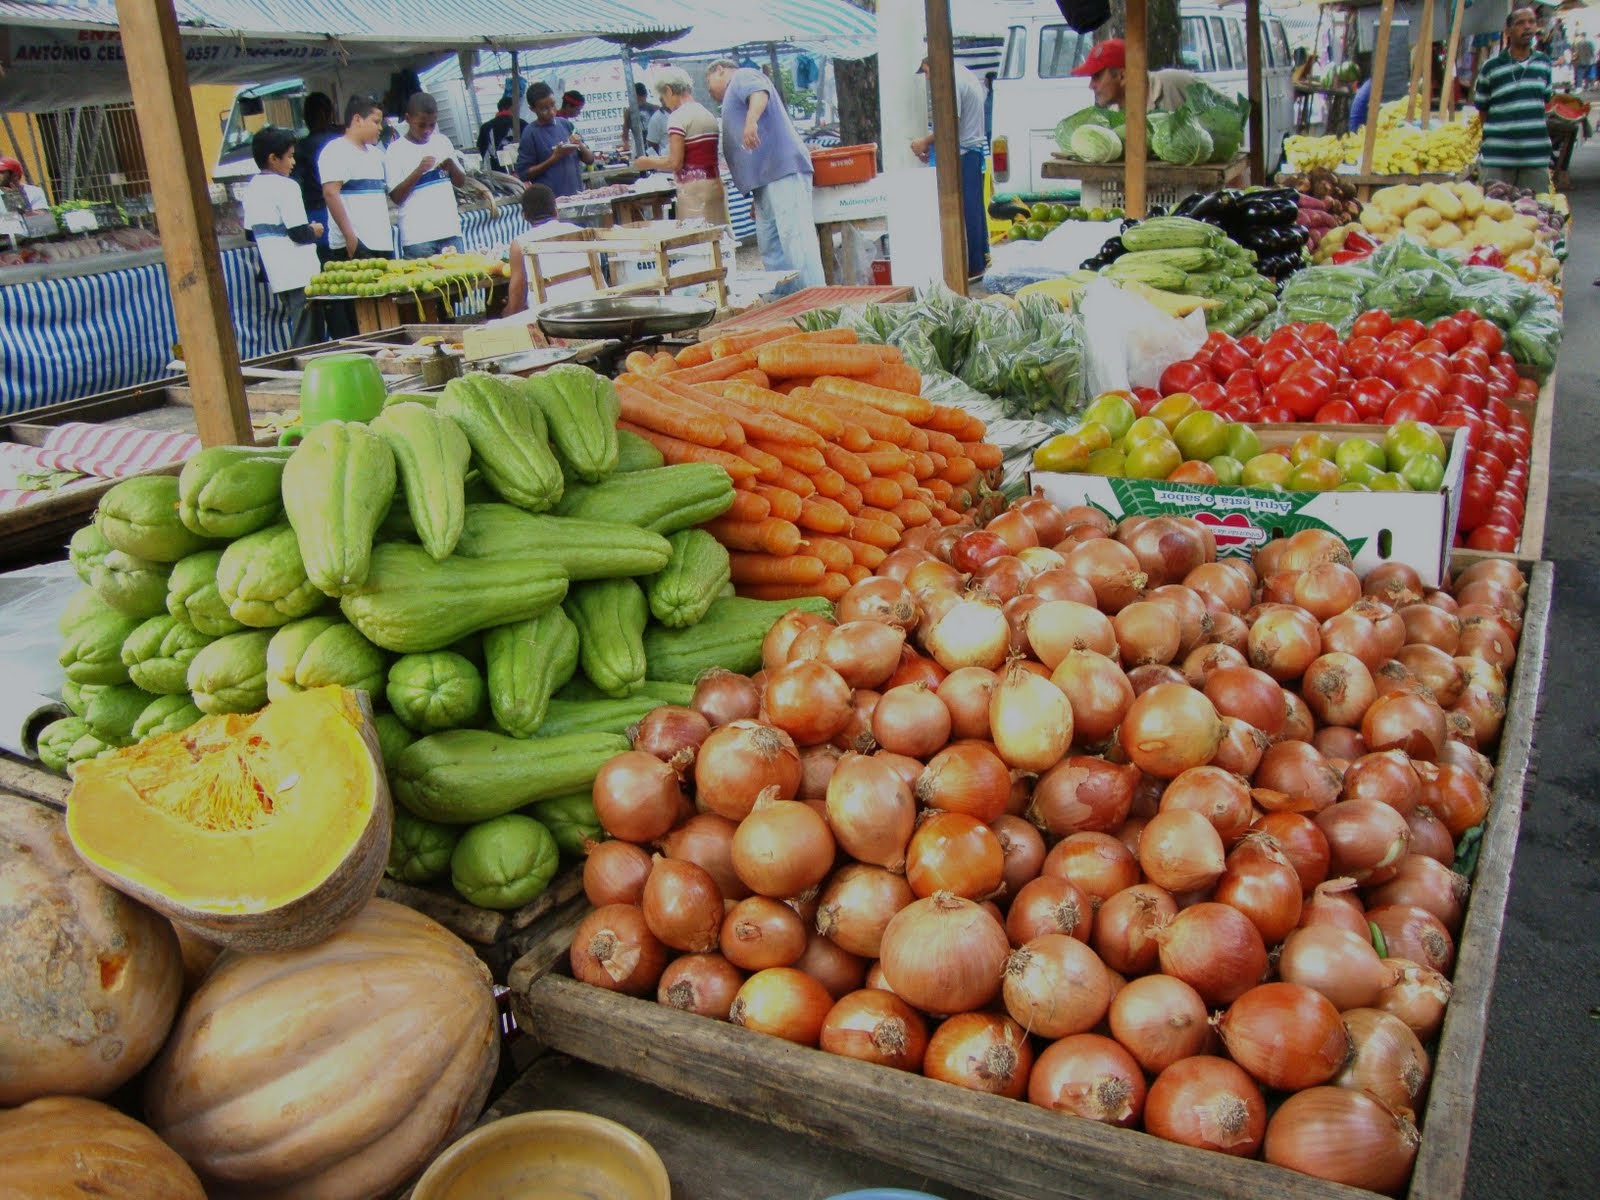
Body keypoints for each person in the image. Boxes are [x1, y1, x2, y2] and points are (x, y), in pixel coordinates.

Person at [705, 58, 825, 295]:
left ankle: (817, 300)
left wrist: (751, 123)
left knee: (796, 242)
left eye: (709, 86)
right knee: (772, 247)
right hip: (764, 182)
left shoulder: (742, 76)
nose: (710, 94)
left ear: (720, 70)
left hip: (782, 171)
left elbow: (759, 93)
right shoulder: (732, 96)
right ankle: (786, 300)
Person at [633, 67, 734, 268]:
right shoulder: (706, 113)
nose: (664, 103)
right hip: (714, 185)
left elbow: (674, 162)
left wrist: (646, 162)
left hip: (693, 191)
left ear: (669, 91)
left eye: (663, 97)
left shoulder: (678, 117)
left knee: (696, 249)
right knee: (718, 243)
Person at [387, 92, 497, 259]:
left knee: (460, 283)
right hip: (418, 237)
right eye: (421, 125)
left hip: (450, 231)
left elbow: (460, 182)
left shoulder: (442, 142)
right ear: (408, 119)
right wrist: (418, 171)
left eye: (432, 125)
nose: (427, 130)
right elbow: (396, 197)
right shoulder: (395, 150)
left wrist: (452, 166)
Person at [243, 127, 324, 347]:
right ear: (273, 158)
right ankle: (305, 376)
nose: (293, 162)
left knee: (300, 328)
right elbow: (299, 233)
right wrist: (314, 230)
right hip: (300, 273)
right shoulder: (287, 187)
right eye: (289, 156)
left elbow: (251, 233)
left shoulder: (252, 188)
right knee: (307, 336)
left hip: (278, 273)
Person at [910, 58, 990, 280]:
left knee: (968, 211)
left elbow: (949, 123)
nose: (927, 78)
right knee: (973, 210)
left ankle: (974, 266)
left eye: (926, 71)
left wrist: (924, 142)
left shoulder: (952, 79)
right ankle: (979, 261)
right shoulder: (962, 73)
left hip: (965, 153)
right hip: (969, 151)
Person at [1474, 8, 1554, 193]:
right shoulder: (1491, 67)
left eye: (1531, 22)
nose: (1527, 27)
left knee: (1536, 214)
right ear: (1508, 31)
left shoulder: (1544, 63)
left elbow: (1544, 102)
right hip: (1499, 158)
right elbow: (1482, 110)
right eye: (1520, 23)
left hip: (1535, 156)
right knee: (1495, 214)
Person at [502, 184, 597, 314]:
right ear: (555, 210)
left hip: (551, 317)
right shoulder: (582, 232)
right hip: (593, 307)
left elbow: (517, 298)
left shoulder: (520, 244)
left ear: (525, 216)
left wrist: (506, 314)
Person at [320, 93, 392, 259]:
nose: (380, 128)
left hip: (381, 242)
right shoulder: (335, 150)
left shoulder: (376, 155)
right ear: (358, 119)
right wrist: (350, 238)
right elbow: (330, 193)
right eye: (376, 122)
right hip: (353, 245)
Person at [1071, 38, 1200, 113]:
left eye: (1096, 77)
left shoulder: (1175, 83)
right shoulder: (1114, 116)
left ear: (1123, 76)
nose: (1091, 86)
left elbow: (1219, 105)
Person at [514, 81, 593, 198]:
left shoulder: (566, 125)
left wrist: (579, 144)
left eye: (553, 105)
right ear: (532, 109)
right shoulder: (530, 133)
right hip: (550, 201)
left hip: (577, 196)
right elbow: (524, 173)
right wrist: (554, 158)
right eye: (544, 109)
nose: (551, 112)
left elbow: (590, 160)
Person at [294, 92, 338, 254]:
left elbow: (297, 185)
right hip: (343, 214)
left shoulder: (302, 148)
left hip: (316, 215)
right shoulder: (342, 141)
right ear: (329, 114)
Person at [621, 81, 664, 156]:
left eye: (641, 97)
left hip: (655, 146)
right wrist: (626, 144)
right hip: (642, 147)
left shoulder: (655, 109)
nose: (640, 100)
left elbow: (625, 133)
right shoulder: (629, 112)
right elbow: (625, 132)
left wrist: (626, 143)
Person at [478, 96, 516, 161]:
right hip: (519, 165)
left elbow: (481, 150)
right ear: (512, 108)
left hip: (494, 167)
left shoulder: (485, 127)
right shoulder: (520, 124)